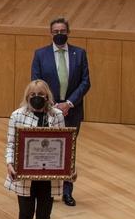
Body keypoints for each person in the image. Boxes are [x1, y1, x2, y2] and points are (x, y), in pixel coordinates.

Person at [30, 17, 90, 207]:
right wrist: (52, 104)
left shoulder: (79, 54)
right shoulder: (41, 54)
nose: (59, 34)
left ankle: (67, 191)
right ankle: (46, 189)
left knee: (68, 151)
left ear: (68, 32)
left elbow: (85, 82)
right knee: (47, 149)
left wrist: (69, 103)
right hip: (47, 111)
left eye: (62, 31)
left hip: (72, 111)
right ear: (51, 33)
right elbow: (36, 82)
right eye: (56, 32)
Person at [5, 80, 67, 219]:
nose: (36, 97)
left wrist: (70, 168)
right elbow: (11, 144)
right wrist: (9, 164)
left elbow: (64, 145)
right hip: (25, 174)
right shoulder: (17, 115)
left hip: (49, 175)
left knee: (44, 216)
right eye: (33, 94)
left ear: (47, 96)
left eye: (40, 94)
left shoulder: (56, 115)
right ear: (27, 96)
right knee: (26, 214)